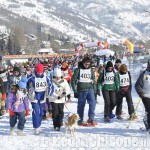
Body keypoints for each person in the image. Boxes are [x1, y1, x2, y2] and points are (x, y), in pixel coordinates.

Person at [27, 63, 54, 135]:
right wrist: (28, 92)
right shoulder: (31, 77)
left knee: (41, 112)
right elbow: (25, 85)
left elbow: (51, 85)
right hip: (34, 97)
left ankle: (38, 126)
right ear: (36, 71)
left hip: (43, 97)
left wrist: (50, 93)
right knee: (36, 112)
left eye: (41, 72)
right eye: (38, 72)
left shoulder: (46, 77)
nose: (39, 73)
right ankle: (36, 127)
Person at [71, 56, 97, 125]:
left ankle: (91, 118)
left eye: (88, 64)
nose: (87, 65)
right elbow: (73, 81)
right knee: (81, 105)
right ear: (83, 63)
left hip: (90, 89)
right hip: (81, 90)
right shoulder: (78, 70)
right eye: (85, 64)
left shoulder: (91, 70)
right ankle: (80, 119)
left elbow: (94, 80)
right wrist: (75, 91)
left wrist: (95, 90)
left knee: (93, 104)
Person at [135, 59, 150, 131]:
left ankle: (146, 120)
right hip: (146, 95)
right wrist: (140, 92)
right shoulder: (144, 74)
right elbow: (138, 85)